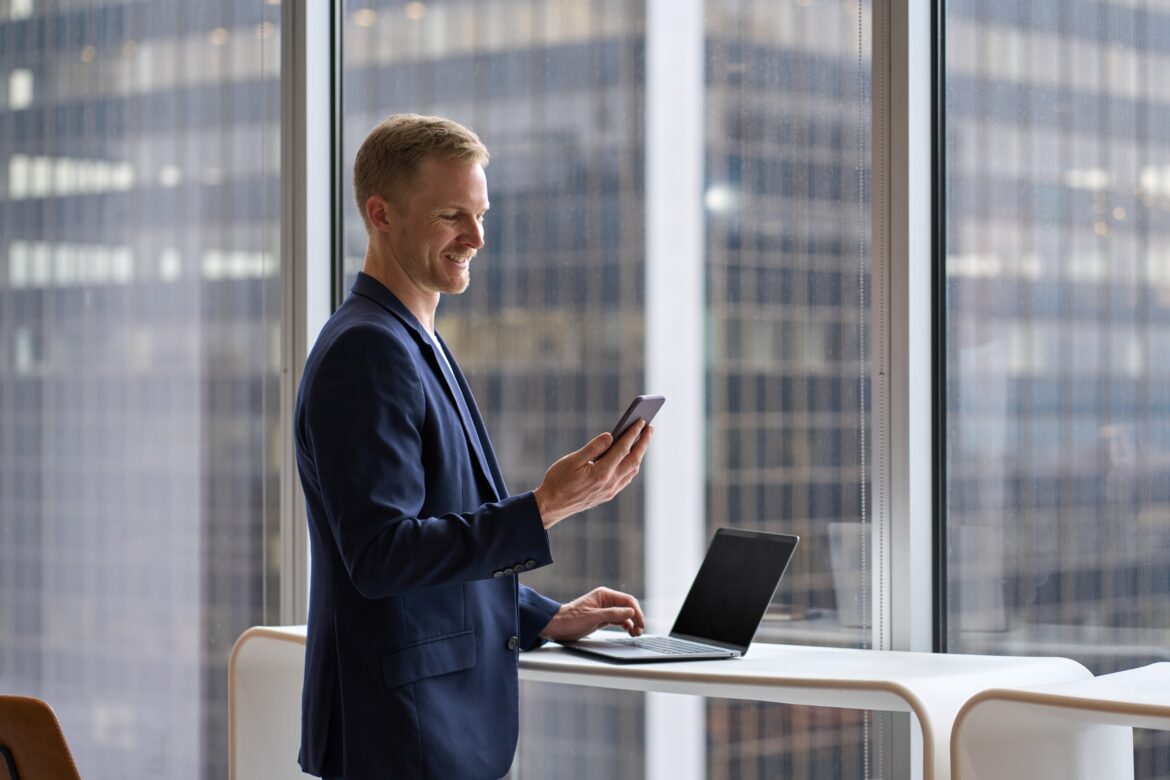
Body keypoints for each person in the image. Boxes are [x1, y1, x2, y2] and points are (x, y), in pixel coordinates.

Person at [294, 113, 653, 780]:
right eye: (452, 215)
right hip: (405, 737)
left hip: (428, 730)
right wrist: (543, 507)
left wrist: (546, 616)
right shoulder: (369, 351)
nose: (477, 238)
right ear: (381, 214)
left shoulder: (411, 339)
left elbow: (426, 557)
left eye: (482, 214)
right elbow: (380, 556)